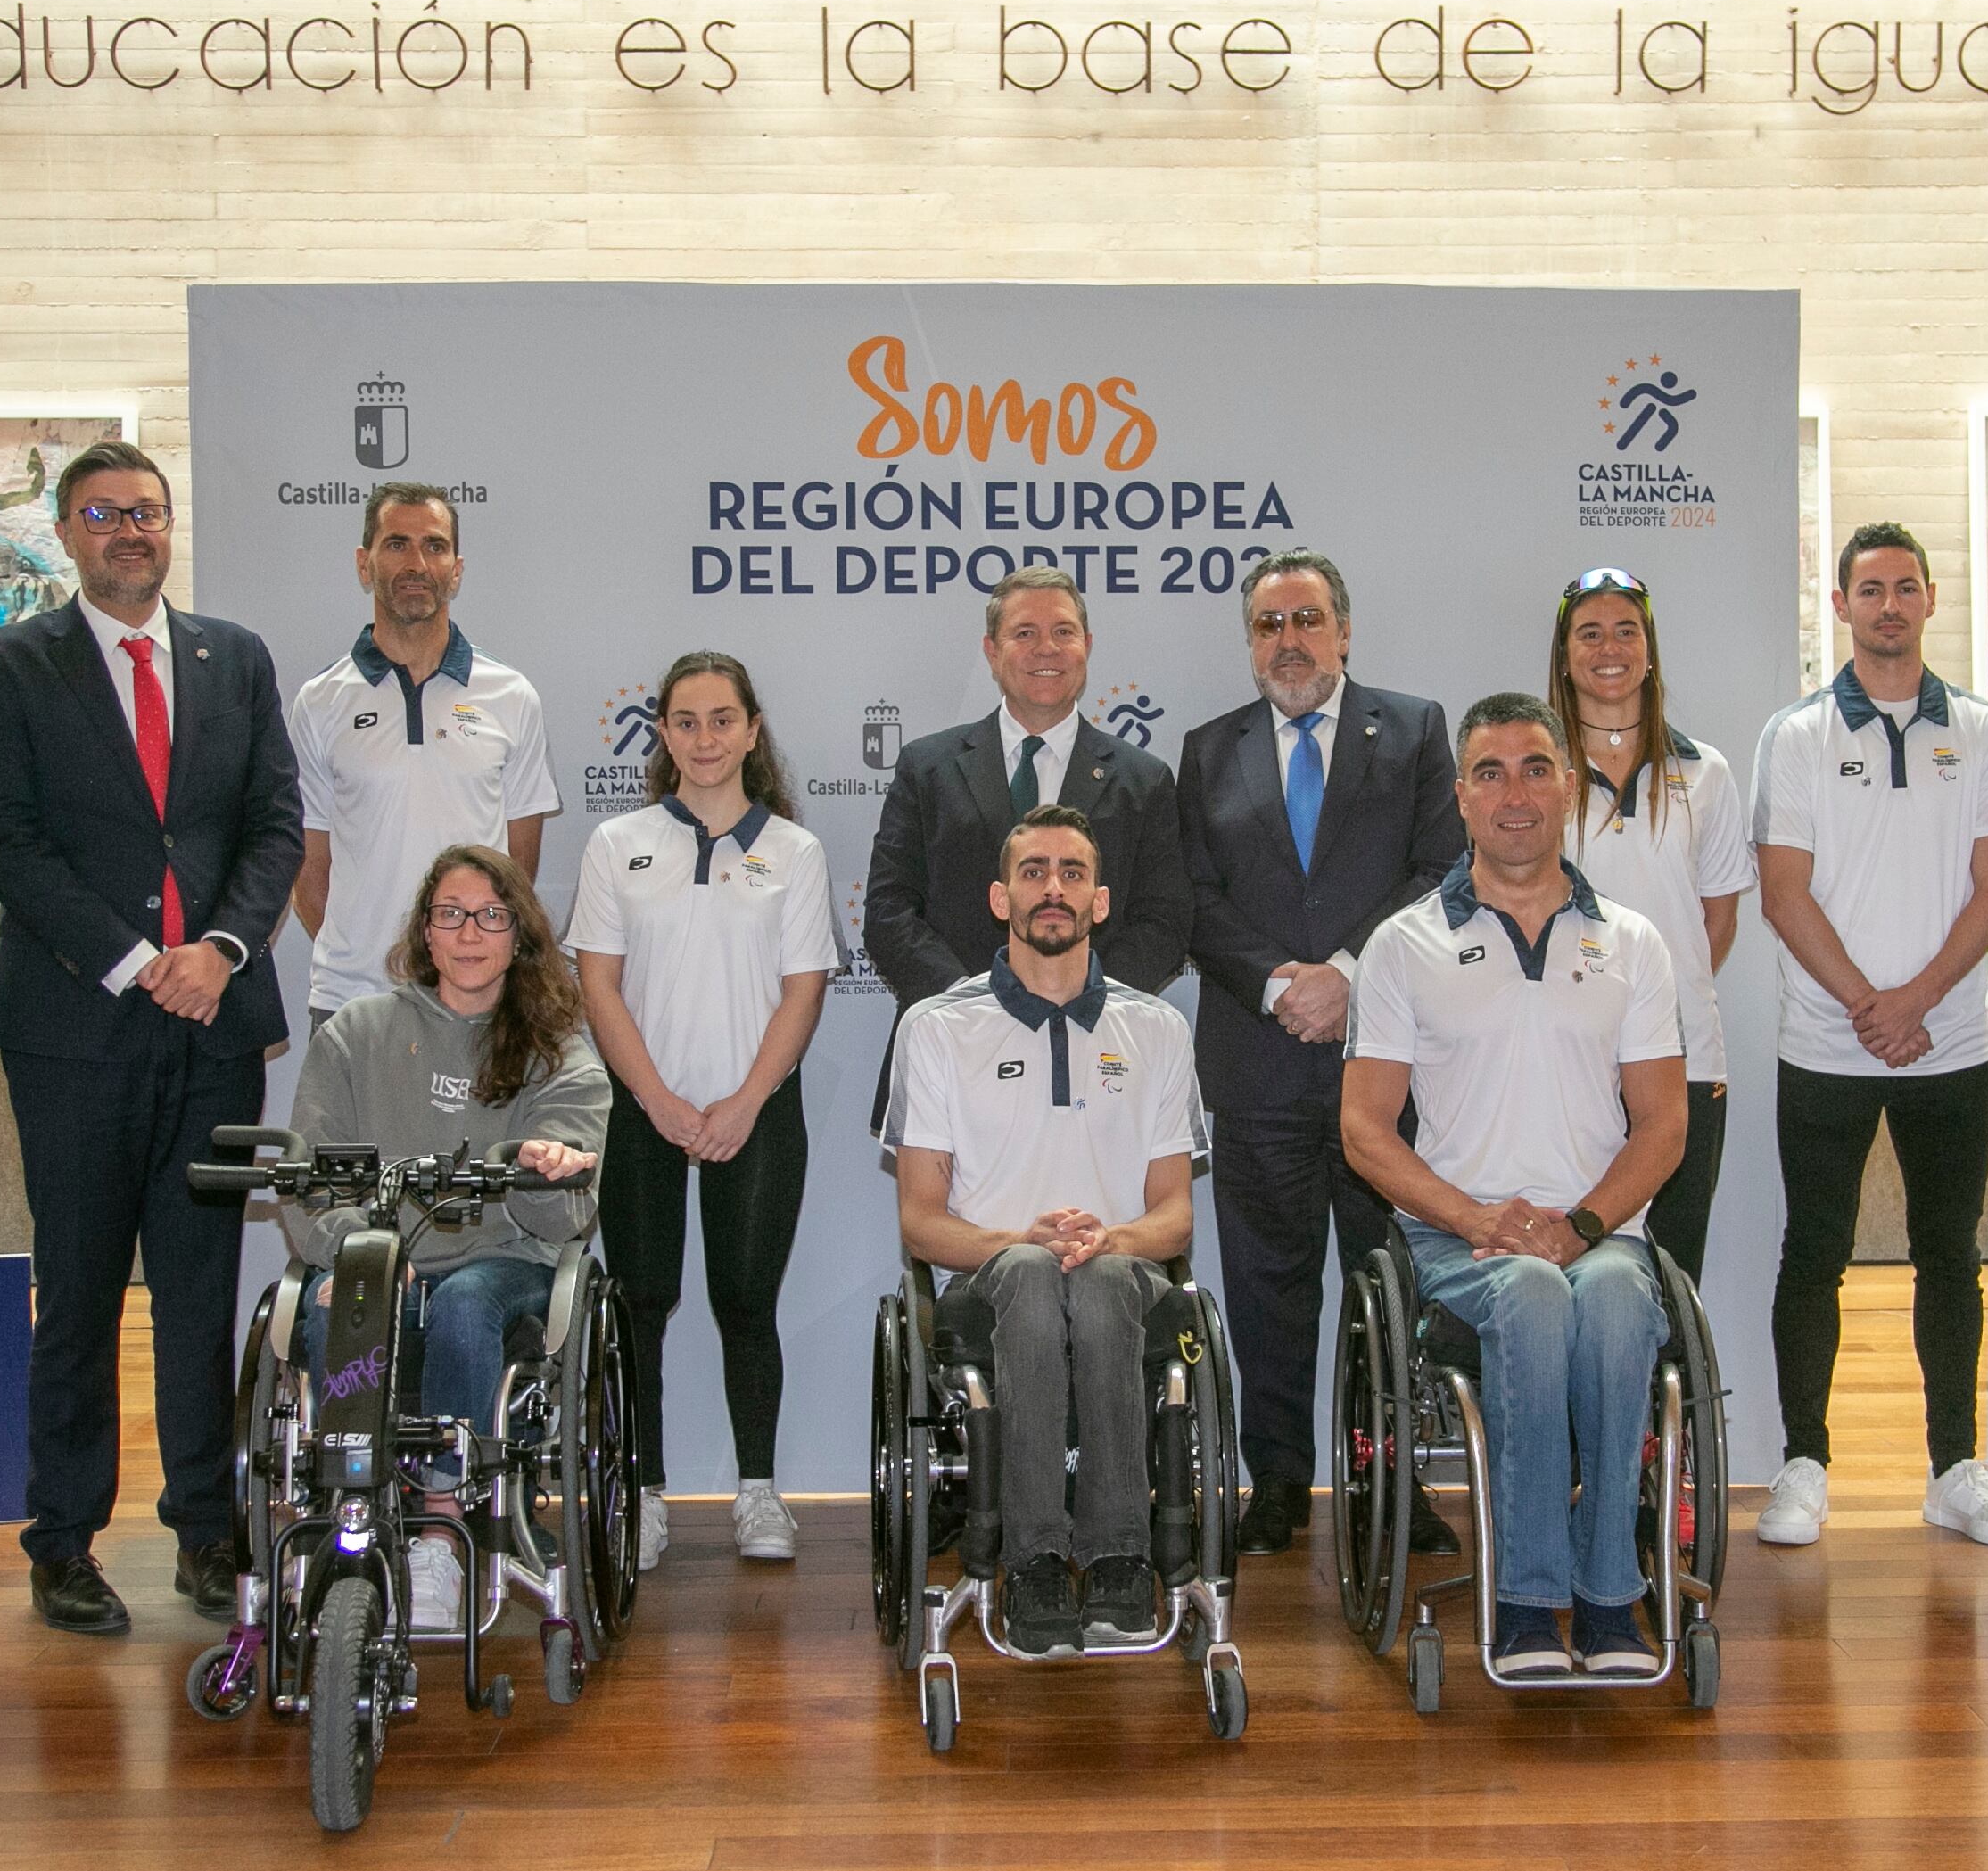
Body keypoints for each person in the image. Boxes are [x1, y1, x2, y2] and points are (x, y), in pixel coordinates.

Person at [0, 440, 304, 1636]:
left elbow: (274, 826)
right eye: (104, 514)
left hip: (215, 1021)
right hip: (75, 1030)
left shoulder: (236, 659)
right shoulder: (10, 666)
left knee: (204, 1295)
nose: (130, 533)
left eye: (148, 513)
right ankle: (62, 1542)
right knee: (85, 1292)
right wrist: (129, 961)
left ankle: (207, 1534)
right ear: (67, 532)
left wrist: (219, 953)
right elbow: (5, 841)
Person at [1340, 695, 1691, 1678]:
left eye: (1536, 768)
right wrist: (1478, 1218)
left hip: (1600, 1233)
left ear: (1569, 788)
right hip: (1459, 1240)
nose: (1516, 794)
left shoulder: (1633, 941)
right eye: (1490, 773)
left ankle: (1610, 1593)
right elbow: (1365, 1129)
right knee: (1532, 1296)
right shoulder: (1404, 944)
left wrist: (1582, 1226)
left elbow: (1664, 1124)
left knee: (1623, 1302)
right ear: (1460, 797)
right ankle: (1532, 1601)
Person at [1751, 521, 1988, 1551]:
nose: (1887, 604)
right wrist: (1870, 1007)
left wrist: (1915, 1000)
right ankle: (1803, 1465)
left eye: (1904, 587)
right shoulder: (1793, 736)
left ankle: (1955, 1469)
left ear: (1929, 602)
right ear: (1840, 606)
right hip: (1825, 1047)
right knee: (1814, 1255)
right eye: (1868, 588)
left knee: (1946, 1256)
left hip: (1950, 1044)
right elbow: (1784, 896)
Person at [1175, 548, 1462, 1557]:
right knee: (1265, 1285)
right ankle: (1282, 1484)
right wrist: (1278, 986)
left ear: (1344, 630)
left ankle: (1395, 1484)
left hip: (1384, 1059)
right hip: (1257, 1060)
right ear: (1249, 644)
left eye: (1305, 620)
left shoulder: (1418, 730)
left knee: (1393, 1284)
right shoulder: (1207, 751)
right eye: (1266, 625)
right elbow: (1193, 902)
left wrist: (1348, 972)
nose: (1287, 641)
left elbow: (1441, 872)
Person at [885, 805, 1206, 1661]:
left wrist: (1110, 1241)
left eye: (1071, 873)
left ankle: (1116, 1557)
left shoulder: (1159, 1030)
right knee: (1031, 1271)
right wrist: (1017, 1241)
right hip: (993, 1279)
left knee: (1095, 1279)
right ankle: (1031, 1560)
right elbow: (921, 1220)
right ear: (1000, 897)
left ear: (1101, 900)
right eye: (1034, 873)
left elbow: (1175, 1214)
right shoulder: (935, 1028)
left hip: (1122, 1272)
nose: (1053, 888)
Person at [281, 845, 606, 1629]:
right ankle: (345, 1513)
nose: (470, 933)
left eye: (492, 917)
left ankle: (439, 1531)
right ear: (424, 933)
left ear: (520, 937)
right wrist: (360, 1253)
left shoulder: (559, 1052)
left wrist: (542, 1169)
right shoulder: (356, 1034)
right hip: (383, 1256)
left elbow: (568, 1220)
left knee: (463, 1302)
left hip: (504, 1264)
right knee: (343, 1301)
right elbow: (309, 1179)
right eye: (451, 914)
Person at [570, 653, 834, 1572]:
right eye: (686, 721)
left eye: (724, 720)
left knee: (745, 1302)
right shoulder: (616, 844)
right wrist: (658, 1099)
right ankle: (643, 1495)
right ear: (663, 734)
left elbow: (803, 993)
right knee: (641, 1304)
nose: (706, 739)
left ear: (753, 731)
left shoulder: (795, 851)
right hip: (646, 1110)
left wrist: (741, 1103)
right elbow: (598, 985)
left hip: (754, 1112)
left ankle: (758, 1494)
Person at [864, 567, 1191, 1098]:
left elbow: (1166, 920)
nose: (1047, 649)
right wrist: (972, 1005)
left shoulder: (1143, 780)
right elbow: (888, 909)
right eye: (1024, 633)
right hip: (955, 1049)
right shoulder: (928, 767)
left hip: (1098, 1054)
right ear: (992, 651)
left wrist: (1086, 1000)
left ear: (1086, 646)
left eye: (1063, 632)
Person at [1547, 565, 1757, 1285]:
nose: (1610, 648)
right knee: (1573, 1277)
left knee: (1669, 1279)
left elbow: (1717, 920)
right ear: (1565, 652)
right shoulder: (1538, 775)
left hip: (1685, 1059)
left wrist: (1652, 1012)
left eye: (1627, 630)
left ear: (1650, 648)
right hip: (1566, 1063)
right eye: (1590, 633)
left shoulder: (1705, 772)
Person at [285, 482, 560, 1018]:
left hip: (472, 1001)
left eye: (434, 546)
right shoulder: (319, 702)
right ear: (365, 564)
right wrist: (364, 959)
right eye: (397, 545)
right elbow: (308, 869)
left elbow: (516, 868)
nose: (417, 563)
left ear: (456, 570)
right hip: (352, 1000)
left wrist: (468, 962)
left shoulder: (511, 695)